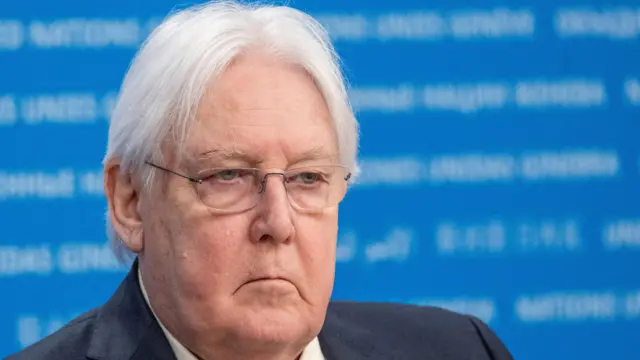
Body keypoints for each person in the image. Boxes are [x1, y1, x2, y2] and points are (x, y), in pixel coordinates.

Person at [6, 1, 514, 359]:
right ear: (131, 201)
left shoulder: (463, 349)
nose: (278, 222)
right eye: (228, 175)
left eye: (308, 178)